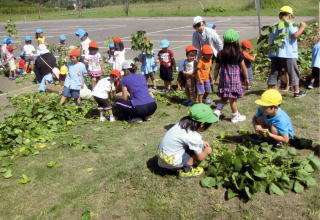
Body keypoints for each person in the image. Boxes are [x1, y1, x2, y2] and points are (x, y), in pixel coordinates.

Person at [157, 103, 217, 178]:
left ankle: (178, 164)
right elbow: (200, 157)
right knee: (197, 150)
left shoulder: (180, 124)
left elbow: (186, 138)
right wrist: (206, 151)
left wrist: (202, 142)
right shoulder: (194, 136)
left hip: (162, 159)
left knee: (197, 145)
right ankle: (186, 171)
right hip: (171, 164)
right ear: (202, 124)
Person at [268, 6, 307, 98]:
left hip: (275, 54)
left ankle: (269, 91)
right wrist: (302, 27)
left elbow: (270, 39)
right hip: (288, 54)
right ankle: (297, 92)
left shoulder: (274, 26)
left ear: (279, 15)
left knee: (274, 72)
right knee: (293, 72)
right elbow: (295, 35)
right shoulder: (289, 24)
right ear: (289, 16)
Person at [213, 29, 249, 123]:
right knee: (233, 99)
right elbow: (244, 68)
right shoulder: (238, 53)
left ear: (224, 41)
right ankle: (235, 116)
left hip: (224, 80)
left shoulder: (221, 53)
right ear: (236, 42)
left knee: (225, 96)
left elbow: (216, 68)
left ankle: (217, 112)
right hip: (234, 80)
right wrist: (246, 78)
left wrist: (214, 78)